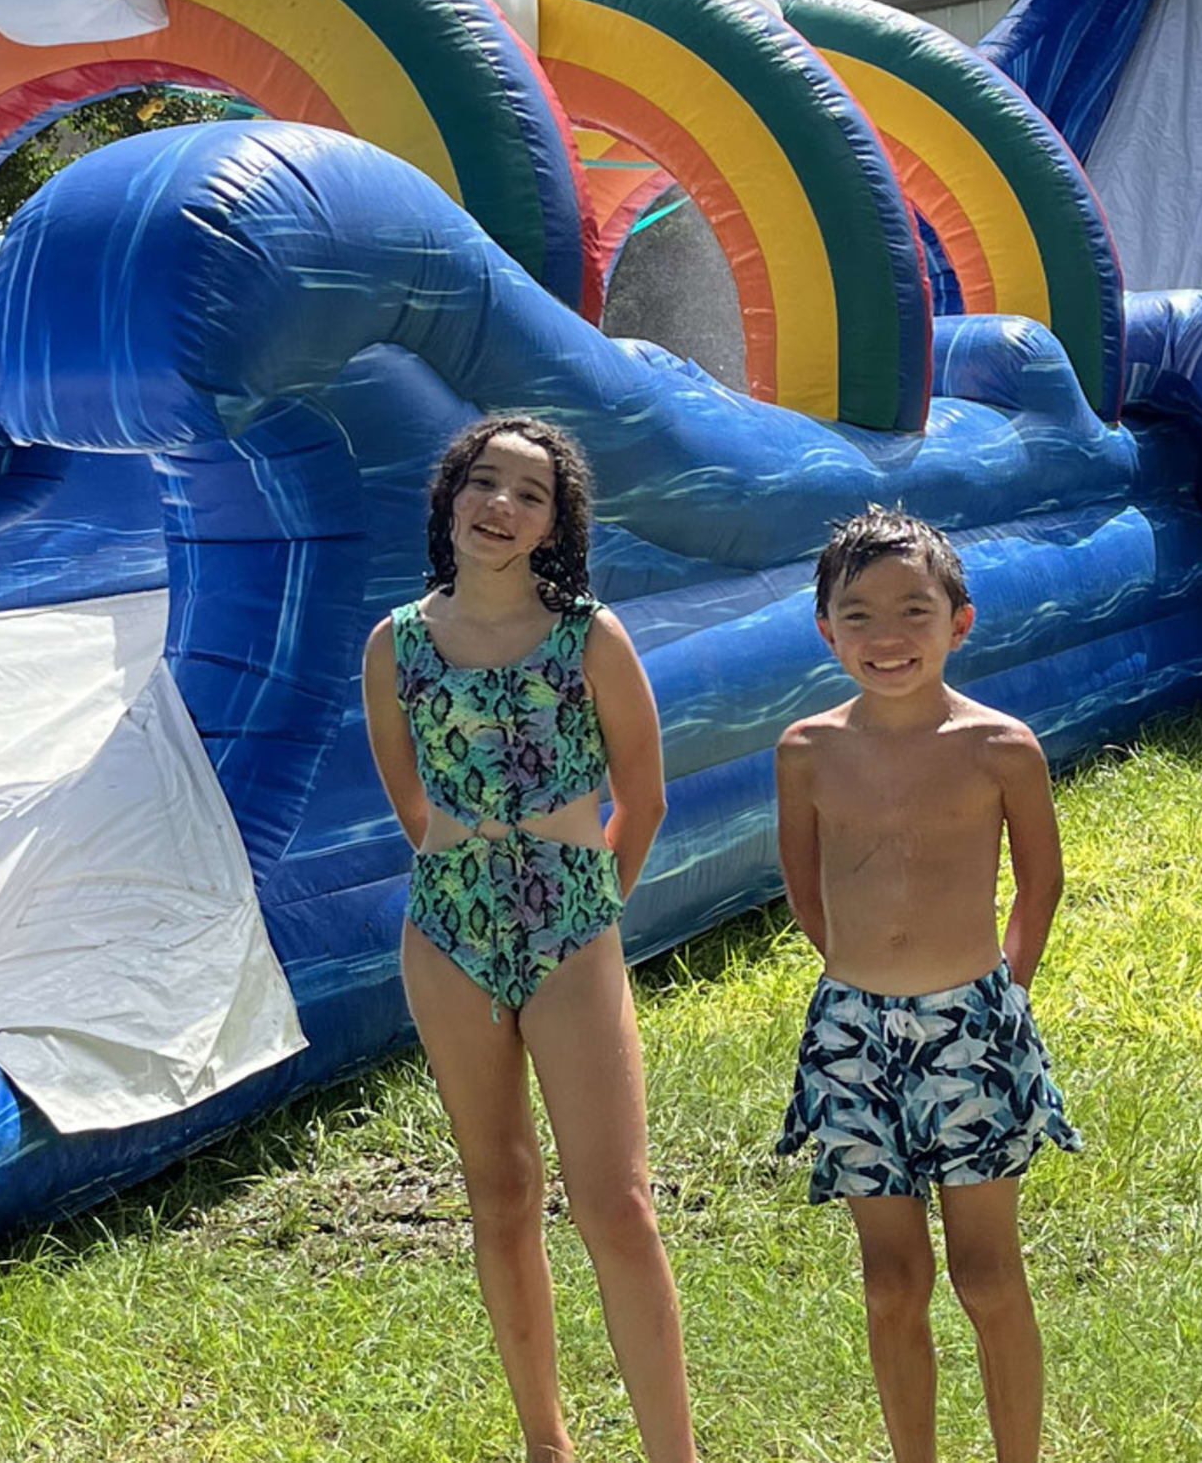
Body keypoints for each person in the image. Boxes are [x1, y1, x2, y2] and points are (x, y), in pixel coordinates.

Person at [362, 414, 698, 1463]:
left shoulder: (590, 635)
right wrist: (473, 867)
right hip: (447, 932)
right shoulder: (397, 644)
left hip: (571, 923)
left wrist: (589, 905)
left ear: (556, 522)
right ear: (451, 495)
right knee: (499, 1188)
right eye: (484, 482)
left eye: (529, 493)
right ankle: (547, 1442)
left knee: (617, 1201)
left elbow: (642, 799)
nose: (499, 506)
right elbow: (412, 803)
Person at [772, 507, 1082, 1463]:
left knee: (987, 1277)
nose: (888, 636)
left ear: (961, 622)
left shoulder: (1000, 748)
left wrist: (1004, 996)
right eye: (858, 615)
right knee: (890, 1282)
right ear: (826, 631)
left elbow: (1041, 880)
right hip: (853, 1036)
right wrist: (864, 979)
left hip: (972, 1026)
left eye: (915, 609)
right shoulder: (806, 752)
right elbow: (805, 889)